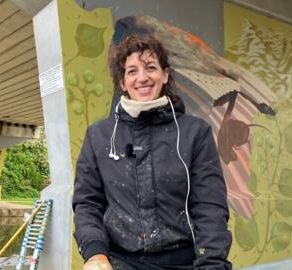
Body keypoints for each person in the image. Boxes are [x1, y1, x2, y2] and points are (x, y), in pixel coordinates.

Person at [72, 33, 232, 269]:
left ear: (165, 75)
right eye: (132, 71)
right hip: (120, 262)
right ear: (122, 82)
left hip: (185, 262)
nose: (142, 77)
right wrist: (95, 254)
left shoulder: (195, 133)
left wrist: (212, 263)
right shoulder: (99, 135)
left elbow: (209, 206)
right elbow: (88, 203)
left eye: (150, 67)